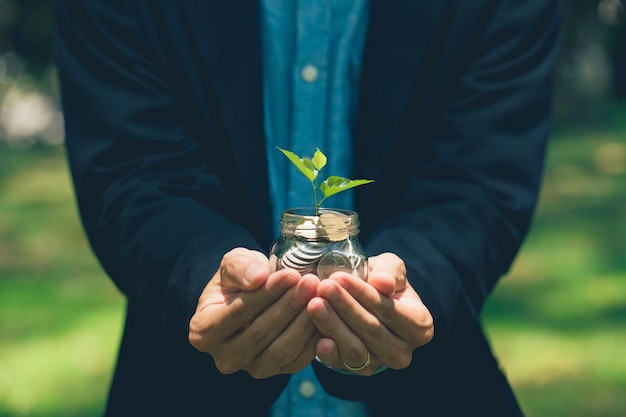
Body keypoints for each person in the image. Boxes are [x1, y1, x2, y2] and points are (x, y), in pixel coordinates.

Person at [54, 1, 560, 416]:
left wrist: (410, 286)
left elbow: (479, 179)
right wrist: (200, 274)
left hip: (433, 394)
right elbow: (131, 168)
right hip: (182, 392)